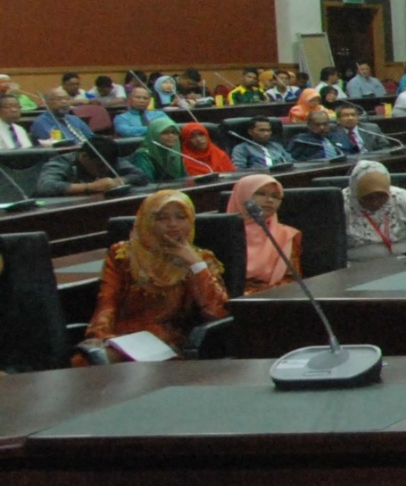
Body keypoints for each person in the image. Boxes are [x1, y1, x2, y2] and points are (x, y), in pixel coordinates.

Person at [80, 189, 226, 361]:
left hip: (170, 341)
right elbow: (108, 301)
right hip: (122, 336)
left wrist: (195, 265)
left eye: (181, 217)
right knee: (91, 360)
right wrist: (100, 336)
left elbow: (218, 312)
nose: (172, 224)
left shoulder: (202, 259)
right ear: (147, 221)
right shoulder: (123, 255)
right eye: (162, 218)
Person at [345, 161, 406, 258]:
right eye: (368, 198)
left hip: (405, 263)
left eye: (381, 196)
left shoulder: (405, 200)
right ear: (356, 194)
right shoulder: (341, 206)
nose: (375, 202)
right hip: (357, 268)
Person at [226, 174, 301, 291]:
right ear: (242, 195)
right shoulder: (221, 233)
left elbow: (291, 281)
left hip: (270, 300)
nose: (270, 200)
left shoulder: (286, 235)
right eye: (261, 194)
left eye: (276, 196)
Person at [38, 136, 141, 199]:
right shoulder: (62, 161)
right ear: (84, 156)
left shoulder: (108, 156)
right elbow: (46, 186)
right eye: (100, 165)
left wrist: (117, 181)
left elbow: (140, 175)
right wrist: (92, 186)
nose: (104, 169)